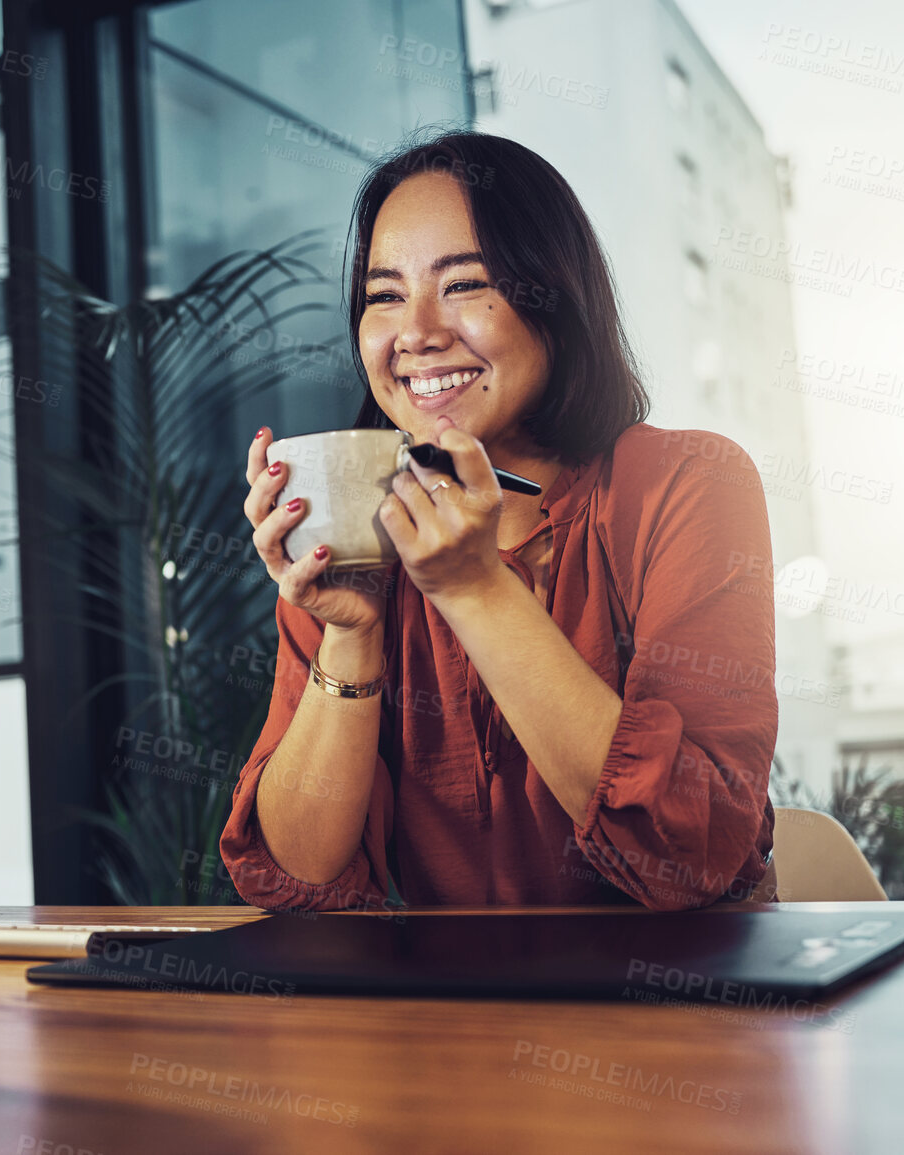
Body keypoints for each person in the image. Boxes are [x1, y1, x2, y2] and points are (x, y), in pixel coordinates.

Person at [221, 131, 778, 912]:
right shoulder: (358, 530)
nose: (415, 332)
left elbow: (690, 859)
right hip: (452, 1026)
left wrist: (475, 588)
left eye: (464, 284)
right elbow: (295, 881)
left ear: (554, 296)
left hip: (677, 1017)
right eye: (383, 295)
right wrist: (350, 634)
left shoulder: (685, 484)